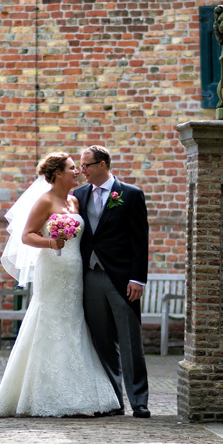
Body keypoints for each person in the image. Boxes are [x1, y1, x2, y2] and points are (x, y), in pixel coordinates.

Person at [0, 152, 121, 417]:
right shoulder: (44, 201)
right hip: (52, 270)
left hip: (74, 272)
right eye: (72, 168)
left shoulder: (74, 201)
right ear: (58, 173)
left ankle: (79, 391)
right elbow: (26, 235)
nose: (77, 172)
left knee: (73, 323)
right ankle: (41, 392)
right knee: (50, 321)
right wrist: (50, 242)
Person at [73, 145, 151, 418]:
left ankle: (139, 400)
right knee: (102, 341)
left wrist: (137, 278)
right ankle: (113, 400)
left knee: (130, 342)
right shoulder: (78, 196)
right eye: (81, 166)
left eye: (86, 165)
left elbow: (140, 241)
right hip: (90, 277)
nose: (82, 170)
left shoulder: (130, 195)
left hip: (121, 278)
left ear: (103, 164)